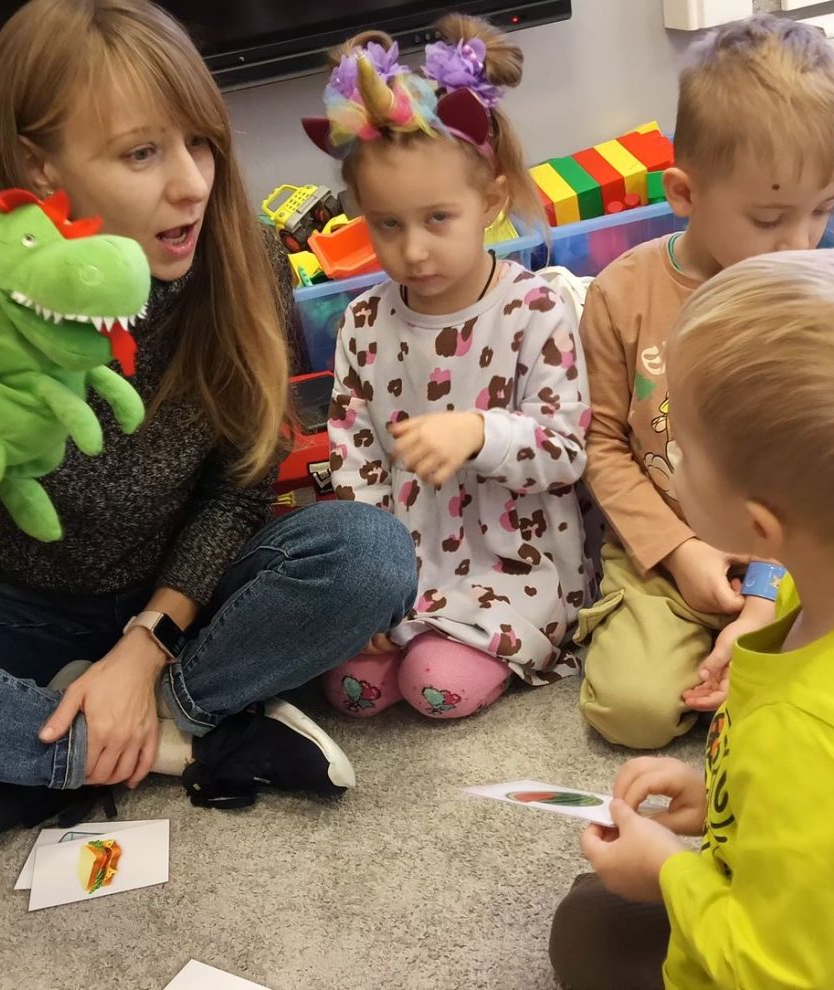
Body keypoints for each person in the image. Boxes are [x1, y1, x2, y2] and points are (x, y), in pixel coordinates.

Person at [0, 0, 417, 840]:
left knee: (371, 552)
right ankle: (173, 738)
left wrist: (145, 644)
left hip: (194, 600)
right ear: (40, 168)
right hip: (32, 609)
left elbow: (240, 488)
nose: (192, 183)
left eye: (199, 143)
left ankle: (100, 727)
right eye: (142, 152)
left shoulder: (243, 255)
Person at [550, 250, 834, 989]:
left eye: (684, 450)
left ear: (758, 527)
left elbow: (782, 971)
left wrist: (672, 876)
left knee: (588, 932)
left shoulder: (802, 732)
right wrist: (718, 802)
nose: (670, 459)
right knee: (597, 911)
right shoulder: (806, 599)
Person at [304, 14, 591, 721]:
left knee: (432, 684)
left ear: (491, 201)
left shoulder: (535, 308)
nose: (413, 250)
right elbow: (353, 460)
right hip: (408, 559)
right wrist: (368, 589)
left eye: (438, 218)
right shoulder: (363, 322)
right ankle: (406, 624)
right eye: (387, 224)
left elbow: (565, 453)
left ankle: (462, 644)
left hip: (515, 565)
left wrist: (480, 432)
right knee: (352, 688)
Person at [575, 13, 834, 749]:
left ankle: (756, 666)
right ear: (684, 193)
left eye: (823, 211)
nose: (799, 243)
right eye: (769, 218)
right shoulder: (623, 294)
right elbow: (600, 442)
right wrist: (680, 551)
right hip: (665, 554)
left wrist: (765, 597)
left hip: (803, 548)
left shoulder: (812, 293)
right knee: (631, 710)